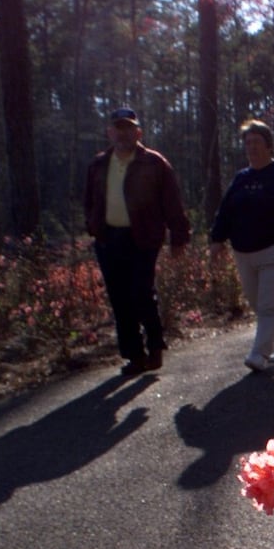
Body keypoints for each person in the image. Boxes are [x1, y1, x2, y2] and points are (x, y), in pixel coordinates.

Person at [83, 106, 191, 376]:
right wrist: (92, 227)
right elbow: (88, 200)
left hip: (143, 238)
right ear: (110, 132)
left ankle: (154, 346)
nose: (123, 133)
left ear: (138, 132)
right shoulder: (98, 164)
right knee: (119, 299)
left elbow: (173, 203)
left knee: (141, 293)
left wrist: (179, 237)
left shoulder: (155, 163)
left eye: (129, 128)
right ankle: (134, 356)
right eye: (118, 128)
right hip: (109, 239)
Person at [209, 119, 274, 373]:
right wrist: (216, 240)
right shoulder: (241, 180)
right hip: (244, 253)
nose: (252, 147)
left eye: (257, 142)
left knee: (269, 305)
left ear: (269, 146)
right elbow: (225, 213)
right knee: (261, 305)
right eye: (248, 143)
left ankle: (259, 354)